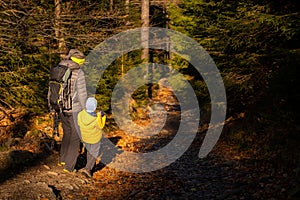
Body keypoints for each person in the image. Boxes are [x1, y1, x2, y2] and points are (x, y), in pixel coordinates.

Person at [58, 49, 87, 173]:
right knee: (75, 137)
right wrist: (86, 109)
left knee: (67, 133)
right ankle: (69, 167)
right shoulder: (78, 72)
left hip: (60, 107)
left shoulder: (60, 67)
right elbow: (82, 93)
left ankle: (63, 158)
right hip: (74, 108)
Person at [77, 97, 106, 178]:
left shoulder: (81, 114)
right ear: (95, 107)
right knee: (93, 153)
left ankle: (87, 164)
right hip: (94, 139)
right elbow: (101, 126)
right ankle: (88, 169)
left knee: (88, 151)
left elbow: (79, 124)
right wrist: (102, 117)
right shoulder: (96, 119)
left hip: (85, 137)